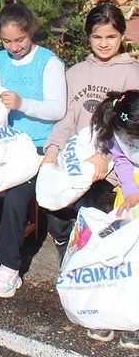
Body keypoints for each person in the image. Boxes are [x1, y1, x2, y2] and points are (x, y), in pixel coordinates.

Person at [0, 0, 66, 297]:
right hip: (5, 143)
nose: (14, 47)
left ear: (31, 32)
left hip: (37, 147)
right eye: (7, 41)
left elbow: (58, 110)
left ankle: (9, 265)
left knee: (15, 199)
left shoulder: (48, 62)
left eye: (19, 39)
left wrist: (23, 104)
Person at [42, 4, 139, 262]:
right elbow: (66, 119)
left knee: (90, 205)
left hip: (112, 164)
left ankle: (87, 259)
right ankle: (64, 245)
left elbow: (128, 130)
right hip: (75, 156)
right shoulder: (75, 73)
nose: (104, 43)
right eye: (97, 36)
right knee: (55, 207)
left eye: (111, 36)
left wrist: (103, 157)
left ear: (122, 36)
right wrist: (52, 152)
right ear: (88, 37)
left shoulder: (132, 74)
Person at [84, 90, 139, 349]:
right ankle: (111, 310)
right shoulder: (117, 130)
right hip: (131, 193)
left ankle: (134, 321)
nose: (130, 140)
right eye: (128, 135)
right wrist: (130, 191)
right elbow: (122, 160)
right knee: (122, 253)